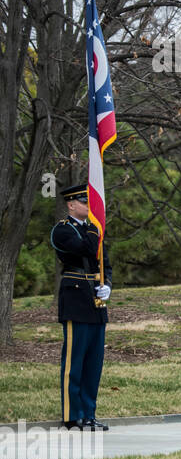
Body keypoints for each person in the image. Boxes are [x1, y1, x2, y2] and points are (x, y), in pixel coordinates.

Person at [50, 183, 112, 430]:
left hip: (96, 300)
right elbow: (86, 249)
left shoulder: (93, 229)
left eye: (90, 202)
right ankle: (71, 415)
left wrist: (107, 283)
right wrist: (96, 228)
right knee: (74, 362)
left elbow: (104, 262)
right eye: (85, 202)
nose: (89, 206)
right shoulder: (62, 230)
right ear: (71, 204)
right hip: (76, 298)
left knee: (93, 363)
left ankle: (89, 413)